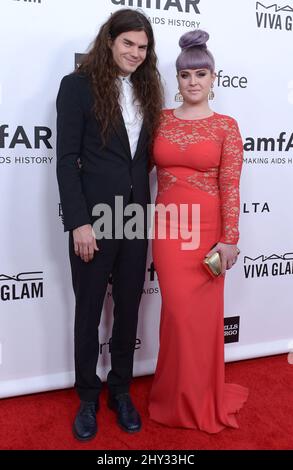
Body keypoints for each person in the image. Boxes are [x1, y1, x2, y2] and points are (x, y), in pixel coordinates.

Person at [56, 9, 163, 441]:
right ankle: (86, 396)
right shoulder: (77, 86)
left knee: (129, 308)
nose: (136, 53)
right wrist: (79, 223)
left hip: (136, 216)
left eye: (143, 47)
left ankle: (120, 390)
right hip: (94, 220)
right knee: (88, 310)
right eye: (128, 44)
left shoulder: (148, 89)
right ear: (110, 41)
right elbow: (65, 162)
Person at [149, 30, 248, 433]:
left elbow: (231, 186)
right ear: (178, 80)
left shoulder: (227, 126)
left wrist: (230, 239)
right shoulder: (159, 120)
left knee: (202, 319)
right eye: (186, 76)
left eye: (201, 74)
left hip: (208, 233)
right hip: (169, 231)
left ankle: (202, 395)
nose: (193, 82)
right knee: (176, 314)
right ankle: (174, 395)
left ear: (213, 79)